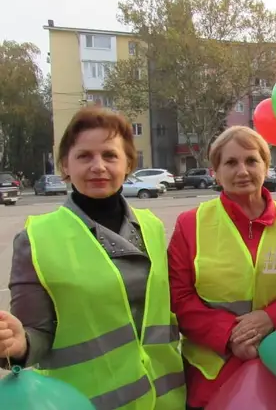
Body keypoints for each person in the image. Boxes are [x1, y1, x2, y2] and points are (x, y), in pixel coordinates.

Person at [0, 106, 186, 409]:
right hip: (87, 401)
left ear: (127, 164)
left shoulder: (151, 226)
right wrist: (19, 345)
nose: (98, 166)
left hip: (166, 399)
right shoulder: (36, 240)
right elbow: (36, 334)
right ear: (65, 165)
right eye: (84, 156)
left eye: (110, 155)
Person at [168, 126, 276, 409]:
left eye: (252, 161)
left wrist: (271, 317)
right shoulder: (190, 225)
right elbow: (179, 299)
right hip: (214, 377)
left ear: (266, 166)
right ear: (215, 171)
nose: (242, 170)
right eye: (230, 162)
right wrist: (228, 335)